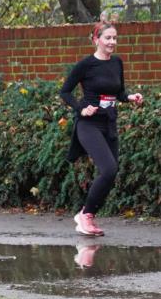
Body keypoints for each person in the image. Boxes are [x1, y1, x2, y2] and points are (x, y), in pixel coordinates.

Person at [60, 15, 143, 236]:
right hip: (88, 124)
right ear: (96, 39)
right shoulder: (86, 65)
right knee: (108, 169)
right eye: (107, 38)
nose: (112, 42)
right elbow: (65, 91)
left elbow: (119, 92)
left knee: (111, 173)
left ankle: (88, 216)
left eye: (115, 38)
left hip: (109, 123)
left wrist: (130, 97)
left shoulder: (117, 63)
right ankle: (85, 216)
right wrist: (80, 108)